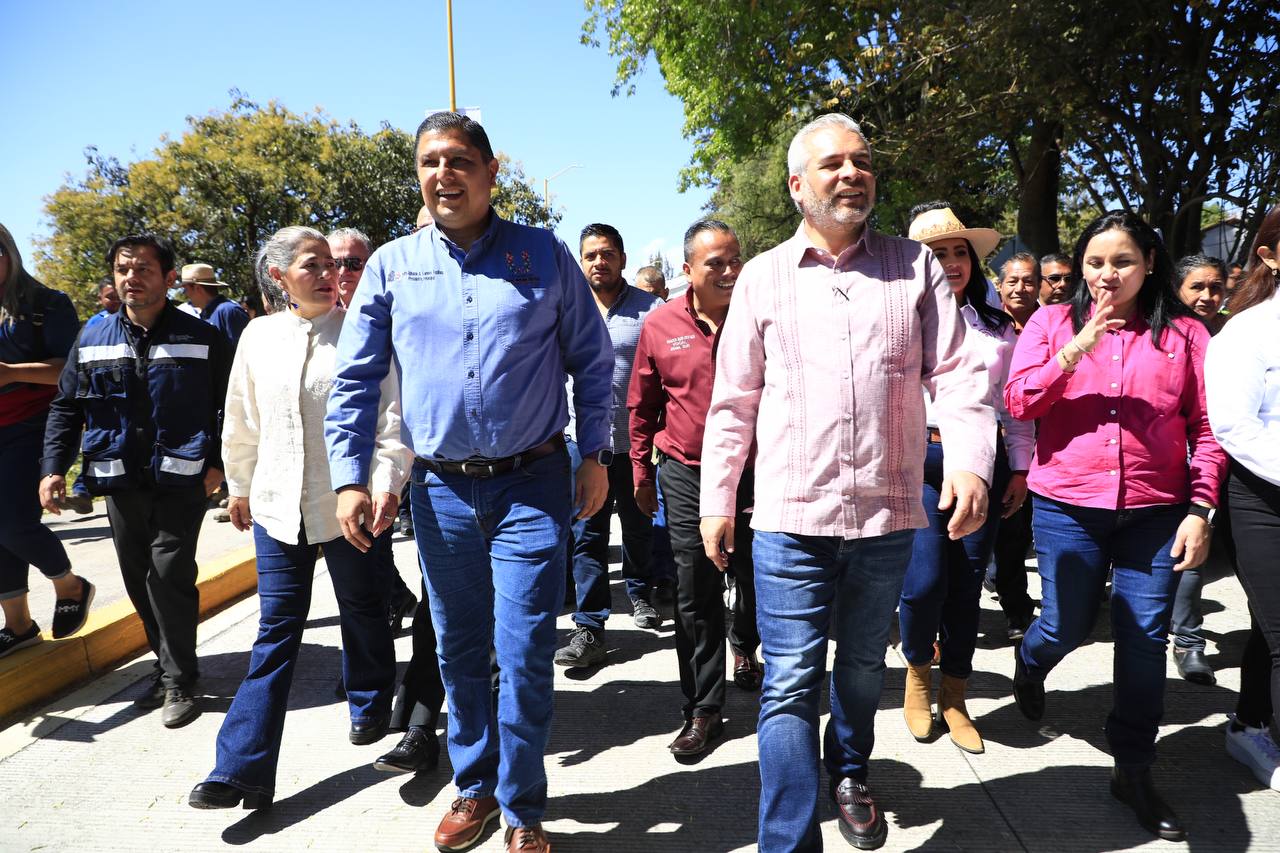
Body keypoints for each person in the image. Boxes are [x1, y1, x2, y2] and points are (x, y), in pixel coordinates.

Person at [700, 113, 994, 852]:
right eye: (832, 163)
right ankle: (790, 840)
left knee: (863, 666)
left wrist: (968, 461)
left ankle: (852, 771)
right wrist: (718, 500)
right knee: (790, 682)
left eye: (862, 161)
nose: (851, 172)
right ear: (797, 185)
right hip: (790, 520)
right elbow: (734, 401)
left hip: (888, 517)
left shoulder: (914, 267)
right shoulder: (764, 275)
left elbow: (958, 373)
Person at [325, 111, 612, 853]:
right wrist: (349, 475)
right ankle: (473, 786)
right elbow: (355, 380)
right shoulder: (392, 264)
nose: (443, 173)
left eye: (459, 160)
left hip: (533, 484)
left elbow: (592, 361)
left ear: (490, 172)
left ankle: (521, 806)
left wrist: (595, 454)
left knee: (521, 651)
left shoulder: (544, 255)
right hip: (442, 491)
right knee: (456, 649)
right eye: (429, 162)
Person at [1005, 210, 1227, 841]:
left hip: (1156, 513)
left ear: (1149, 263)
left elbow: (1207, 430)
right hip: (1068, 507)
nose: (1107, 275)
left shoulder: (1185, 335)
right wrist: (1078, 347)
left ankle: (1133, 765)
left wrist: (1200, 508)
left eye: (1122, 261)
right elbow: (1020, 402)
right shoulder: (1051, 322)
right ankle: (1032, 658)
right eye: (1095, 262)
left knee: (1142, 636)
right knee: (1066, 623)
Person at [188, 226, 408, 811]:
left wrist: (384, 485)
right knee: (276, 629)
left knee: (363, 607)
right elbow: (241, 418)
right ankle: (239, 767)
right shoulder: (258, 337)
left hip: (349, 504)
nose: (329, 272)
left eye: (330, 264)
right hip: (277, 506)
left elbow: (390, 420)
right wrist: (238, 486)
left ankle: (368, 699)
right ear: (280, 277)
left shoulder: (363, 332)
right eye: (312, 264)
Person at [40, 233, 229, 728]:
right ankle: (166, 668)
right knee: (138, 577)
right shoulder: (92, 336)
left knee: (169, 573)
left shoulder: (203, 337)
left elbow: (232, 407)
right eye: (124, 269)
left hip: (181, 477)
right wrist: (53, 468)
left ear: (169, 278)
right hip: (118, 478)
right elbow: (66, 407)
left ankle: (180, 681)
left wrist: (221, 465)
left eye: (143, 269)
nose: (131, 278)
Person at [897, 205, 1034, 756]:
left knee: (968, 583)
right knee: (924, 581)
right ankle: (916, 675)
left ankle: (955, 695)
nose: (951, 262)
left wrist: (1020, 466)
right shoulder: (897, 318)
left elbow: (1013, 408)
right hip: (917, 462)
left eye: (960, 252)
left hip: (983, 461)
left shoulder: (999, 327)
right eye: (937, 252)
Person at [628, 219, 760, 758]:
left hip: (759, 470)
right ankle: (704, 708)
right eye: (716, 263)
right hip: (686, 472)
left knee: (756, 573)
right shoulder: (660, 325)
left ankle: (746, 646)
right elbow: (642, 406)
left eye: (736, 260)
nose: (730, 272)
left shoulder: (762, 317)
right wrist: (640, 471)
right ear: (688, 270)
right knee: (695, 590)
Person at [556, 223, 662, 670]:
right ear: (582, 262)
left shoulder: (652, 310)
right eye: (590, 255)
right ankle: (590, 625)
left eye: (607, 253)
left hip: (635, 442)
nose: (599, 262)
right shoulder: (567, 306)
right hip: (583, 444)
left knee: (638, 524)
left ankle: (640, 594)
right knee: (587, 534)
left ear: (621, 257)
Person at [1205, 202, 1280, 792]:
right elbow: (1235, 426)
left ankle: (1250, 722)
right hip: (1262, 500)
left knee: (1269, 625)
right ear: (1270, 256)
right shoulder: (1246, 332)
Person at [0, 223, 94, 658]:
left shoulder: (47, 304)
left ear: (8, 253)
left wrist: (13, 372)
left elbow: (68, 373)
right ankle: (18, 626)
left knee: (14, 523)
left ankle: (69, 584)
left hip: (35, 428)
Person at [326, 226, 418, 631]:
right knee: (368, 558)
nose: (342, 271)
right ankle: (393, 601)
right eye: (334, 262)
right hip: (342, 467)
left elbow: (394, 405)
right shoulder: (317, 323)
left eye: (353, 262)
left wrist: (389, 478)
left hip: (399, 457)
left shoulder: (398, 317)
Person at [1168, 254, 1230, 685]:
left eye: (1216, 287)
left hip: (1238, 459)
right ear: (1177, 290)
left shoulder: (1235, 333)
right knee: (1189, 552)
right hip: (1182, 463)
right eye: (1197, 287)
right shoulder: (1162, 332)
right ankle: (1188, 641)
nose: (1208, 296)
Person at [988, 252, 1042, 641]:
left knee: (1021, 536)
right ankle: (1015, 608)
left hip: (1045, 445)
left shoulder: (1053, 326)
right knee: (1008, 533)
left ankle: (1022, 611)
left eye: (1028, 281)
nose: (1020, 288)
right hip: (999, 443)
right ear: (1000, 286)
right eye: (1013, 281)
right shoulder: (989, 326)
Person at [62, 276, 123, 513]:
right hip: (99, 396)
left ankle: (84, 490)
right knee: (94, 442)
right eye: (109, 296)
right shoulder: (93, 326)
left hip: (122, 397)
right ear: (100, 298)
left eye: (116, 295)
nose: (114, 300)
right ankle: (82, 492)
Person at [178, 263, 250, 351]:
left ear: (198, 288)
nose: (185, 294)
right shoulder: (208, 314)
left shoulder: (229, 311)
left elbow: (245, 353)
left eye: (185, 289)